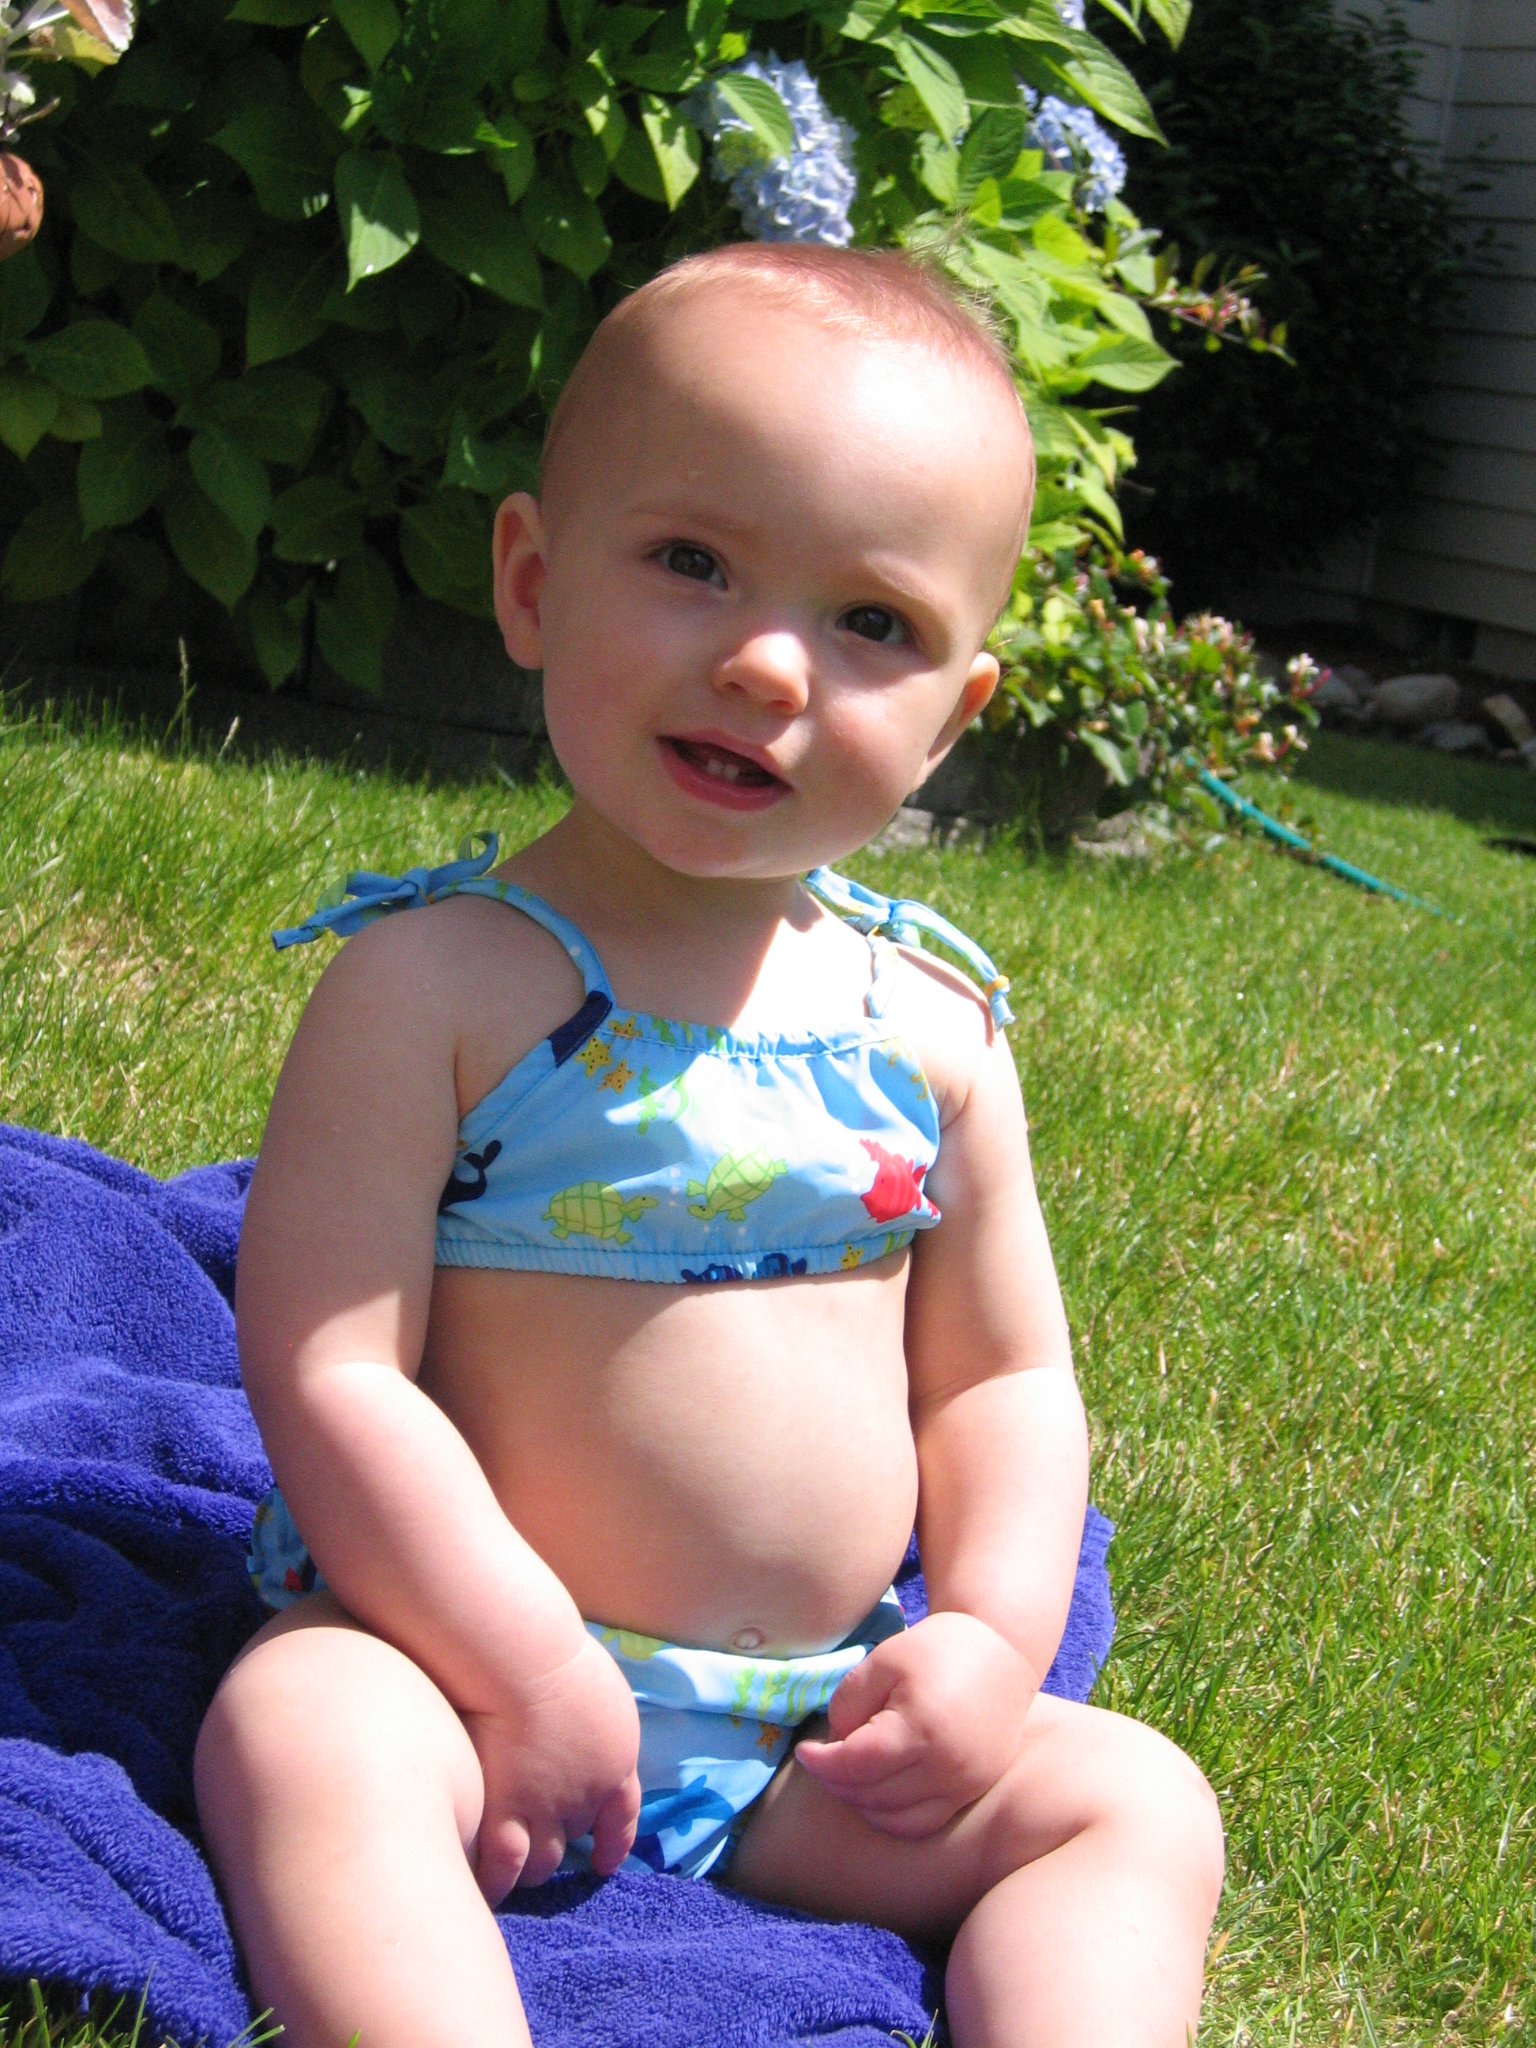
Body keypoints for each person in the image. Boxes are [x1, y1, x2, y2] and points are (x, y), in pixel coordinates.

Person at [194, 242, 1224, 2048]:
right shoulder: (437, 986)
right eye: (692, 563)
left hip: (813, 1735)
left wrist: (989, 1642)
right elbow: (329, 1367)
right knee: (298, 1733)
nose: (763, 665)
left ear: (955, 718)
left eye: (872, 624)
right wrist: (515, 1654)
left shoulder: (934, 1029)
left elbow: (1002, 1380)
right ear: (532, 583)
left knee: (1136, 1802)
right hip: (455, 1674)